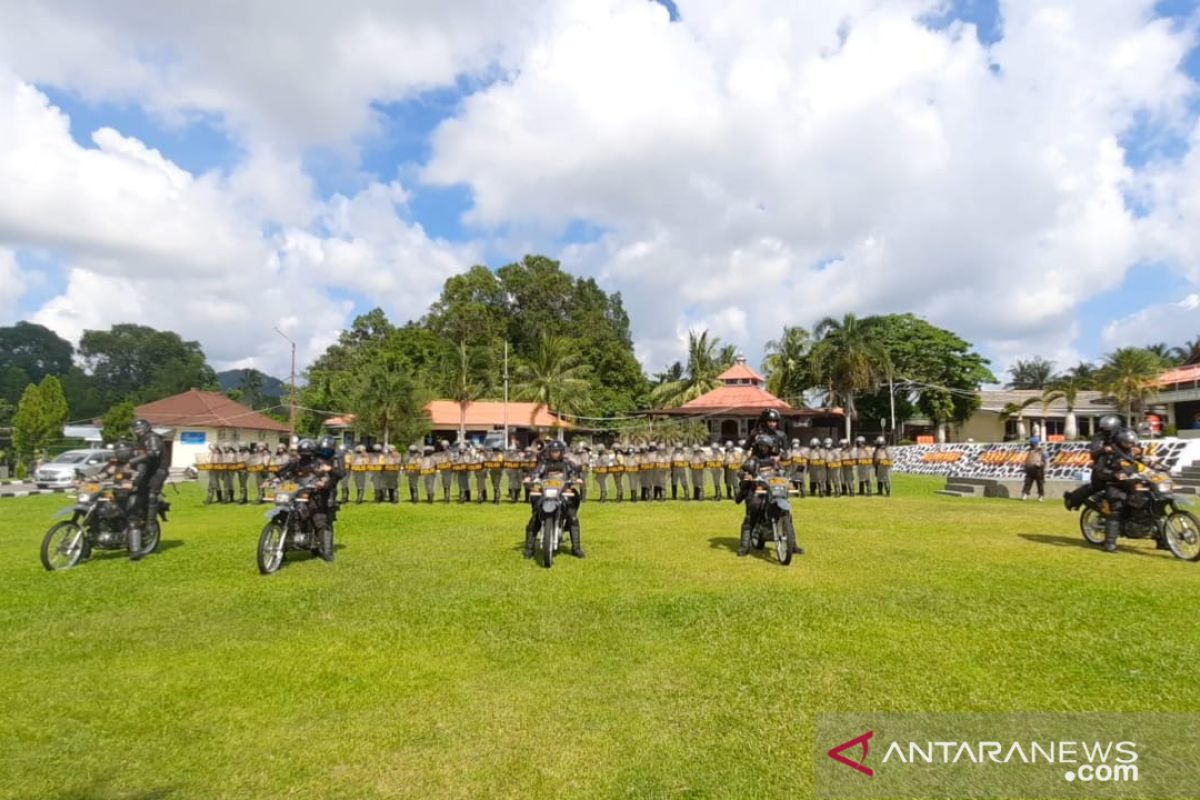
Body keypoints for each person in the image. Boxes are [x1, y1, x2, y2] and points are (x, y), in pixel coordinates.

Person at [734, 434, 804, 558]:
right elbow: (743, 470)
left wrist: (789, 478)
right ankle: (744, 546)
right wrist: (746, 474)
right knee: (754, 509)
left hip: (773, 489)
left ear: (770, 447)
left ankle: (792, 545)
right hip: (758, 490)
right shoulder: (753, 459)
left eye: (766, 446)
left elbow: (782, 472)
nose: (764, 449)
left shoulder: (775, 460)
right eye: (761, 446)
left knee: (787, 514)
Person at [276, 437, 343, 562]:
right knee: (284, 516)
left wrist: (323, 483)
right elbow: (281, 473)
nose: (304, 456)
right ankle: (282, 547)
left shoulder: (320, 464)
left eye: (307, 453)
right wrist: (272, 481)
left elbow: (328, 477)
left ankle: (327, 552)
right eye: (302, 453)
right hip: (295, 495)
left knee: (321, 521)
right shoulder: (294, 462)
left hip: (314, 495)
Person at [522, 439, 585, 559]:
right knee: (535, 517)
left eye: (557, 451)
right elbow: (536, 473)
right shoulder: (544, 464)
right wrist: (530, 478)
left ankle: (576, 548)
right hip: (546, 493)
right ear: (549, 452)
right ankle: (529, 549)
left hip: (562, 494)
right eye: (553, 451)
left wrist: (576, 479)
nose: (555, 454)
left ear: (561, 452)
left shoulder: (566, 464)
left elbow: (573, 474)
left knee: (572, 518)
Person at [1091, 428, 1147, 553]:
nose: (1130, 445)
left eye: (1132, 442)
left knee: (1151, 503)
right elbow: (1099, 471)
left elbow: (1146, 464)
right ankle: (1110, 543)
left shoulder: (1134, 453)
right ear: (1121, 441)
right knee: (1117, 508)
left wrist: (1162, 467)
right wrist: (1114, 474)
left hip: (1133, 485)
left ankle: (1162, 540)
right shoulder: (1109, 453)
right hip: (1115, 485)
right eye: (1127, 443)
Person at [1064, 414, 1123, 511]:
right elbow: (1093, 451)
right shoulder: (1099, 437)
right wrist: (1103, 449)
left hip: (1118, 467)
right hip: (1102, 468)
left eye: (1109, 430)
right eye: (1105, 430)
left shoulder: (1120, 437)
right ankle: (1073, 499)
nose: (1107, 432)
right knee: (1096, 486)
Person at [128, 419, 169, 544]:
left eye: (140, 428)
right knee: (133, 494)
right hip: (144, 471)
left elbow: (153, 452)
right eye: (135, 429)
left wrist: (133, 461)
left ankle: (151, 524)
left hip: (158, 472)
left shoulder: (152, 438)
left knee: (151, 494)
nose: (137, 431)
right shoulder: (138, 441)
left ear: (146, 427)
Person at [1021, 436, 1045, 501]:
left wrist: (1041, 464)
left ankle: (1041, 495)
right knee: (1028, 482)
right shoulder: (1029, 451)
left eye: (1032, 444)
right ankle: (1025, 494)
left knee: (1039, 483)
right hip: (1030, 469)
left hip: (1038, 469)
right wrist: (1025, 466)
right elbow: (1027, 459)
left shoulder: (1041, 451)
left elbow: (1045, 460)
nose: (1031, 445)